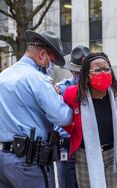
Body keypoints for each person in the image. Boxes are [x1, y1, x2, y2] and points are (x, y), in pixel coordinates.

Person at [0, 30, 73, 188]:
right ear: (42, 55)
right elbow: (63, 117)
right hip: (29, 163)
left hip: (3, 158)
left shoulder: (3, 76)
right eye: (51, 61)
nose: (51, 66)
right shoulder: (38, 79)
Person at [63, 52, 117, 188]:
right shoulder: (72, 94)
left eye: (107, 69)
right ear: (86, 75)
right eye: (98, 70)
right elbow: (65, 121)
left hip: (115, 153)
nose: (104, 73)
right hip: (85, 155)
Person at [56, 45, 90, 188]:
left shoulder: (97, 90)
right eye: (77, 73)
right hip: (67, 145)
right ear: (71, 71)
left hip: (89, 145)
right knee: (67, 183)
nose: (80, 76)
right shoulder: (61, 89)